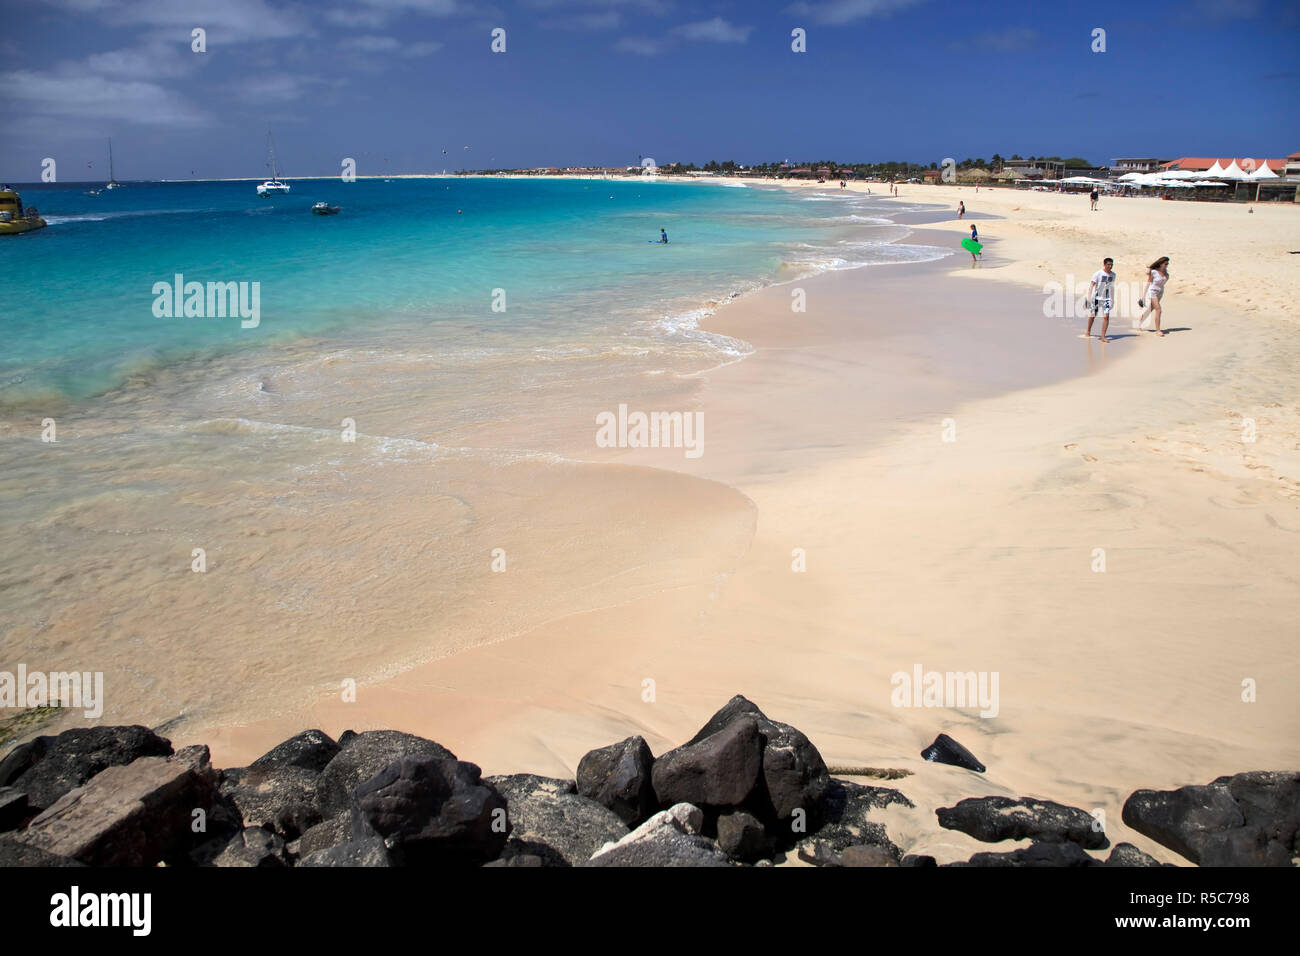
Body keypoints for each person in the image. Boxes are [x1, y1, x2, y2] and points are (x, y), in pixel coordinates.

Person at [1136, 256, 1170, 336]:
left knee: (1151, 308)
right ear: (1161, 264)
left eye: (1167, 263)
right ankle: (1158, 330)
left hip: (1160, 292)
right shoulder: (1154, 272)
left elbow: (1163, 283)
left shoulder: (1166, 272)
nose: (1167, 265)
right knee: (1158, 310)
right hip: (1152, 292)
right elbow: (1148, 283)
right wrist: (1143, 296)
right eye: (1165, 263)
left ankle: (1139, 322)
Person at [1086, 257, 1116, 342]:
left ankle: (1103, 336)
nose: (1110, 266)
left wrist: (1112, 299)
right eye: (1108, 265)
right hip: (1097, 298)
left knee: (1106, 317)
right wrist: (1089, 297)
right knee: (1093, 315)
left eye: (1111, 265)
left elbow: (1112, 287)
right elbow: (1092, 285)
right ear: (1104, 265)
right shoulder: (1098, 274)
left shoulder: (1113, 275)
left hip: (1106, 299)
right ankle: (1088, 330)